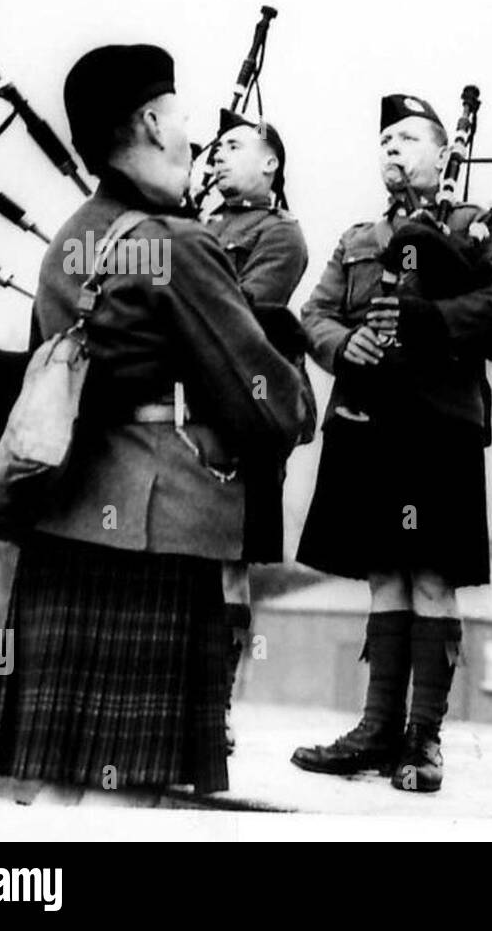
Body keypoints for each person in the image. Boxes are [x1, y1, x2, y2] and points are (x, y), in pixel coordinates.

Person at [0, 44, 309, 802]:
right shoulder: (179, 245)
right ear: (155, 124)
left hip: (61, 530)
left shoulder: (69, 240)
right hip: (156, 541)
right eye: (183, 116)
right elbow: (266, 403)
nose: (195, 136)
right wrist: (292, 370)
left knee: (54, 788)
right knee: (128, 800)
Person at [291, 94, 492, 793]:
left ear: (443, 153)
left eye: (407, 138)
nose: (392, 148)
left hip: (440, 424)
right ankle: (376, 730)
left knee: (432, 575)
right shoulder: (358, 237)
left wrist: (434, 319)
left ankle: (424, 738)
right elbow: (315, 312)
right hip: (367, 420)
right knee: (384, 574)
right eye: (385, 140)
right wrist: (344, 344)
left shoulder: (474, 227)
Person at [203, 111, 312, 753]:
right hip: (187, 407)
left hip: (247, 412)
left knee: (228, 560)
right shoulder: (196, 223)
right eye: (215, 148)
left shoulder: (281, 233)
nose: (217, 156)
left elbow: (237, 313)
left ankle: (214, 708)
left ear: (270, 163)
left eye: (234, 146)